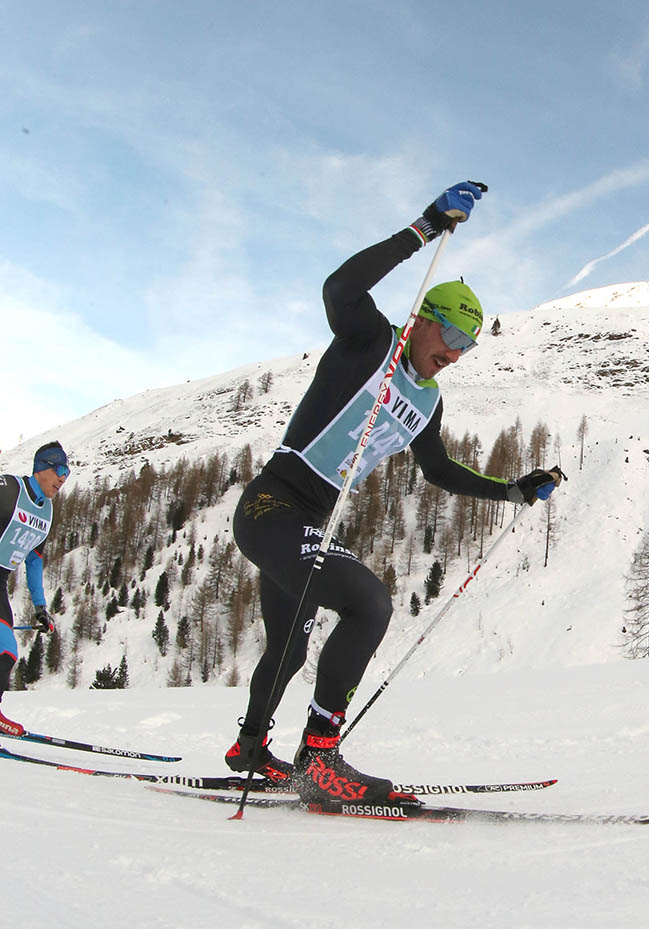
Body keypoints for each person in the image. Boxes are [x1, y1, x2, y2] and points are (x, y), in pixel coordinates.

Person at [225, 182, 565, 805]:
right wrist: (427, 227)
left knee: (289, 644)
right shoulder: (370, 340)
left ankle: (250, 748)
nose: (455, 357)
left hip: (313, 521)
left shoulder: (428, 401)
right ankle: (319, 756)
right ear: (425, 321)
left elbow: (438, 470)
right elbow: (339, 288)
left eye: (467, 349)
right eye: (452, 340)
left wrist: (512, 490)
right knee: (369, 604)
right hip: (273, 503)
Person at [0, 442, 68, 736]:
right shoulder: (9, 488)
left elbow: (34, 561)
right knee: (5, 650)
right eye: (60, 470)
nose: (63, 479)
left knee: (7, 653)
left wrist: (40, 607)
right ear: (43, 467)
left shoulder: (47, 511)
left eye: (67, 473)